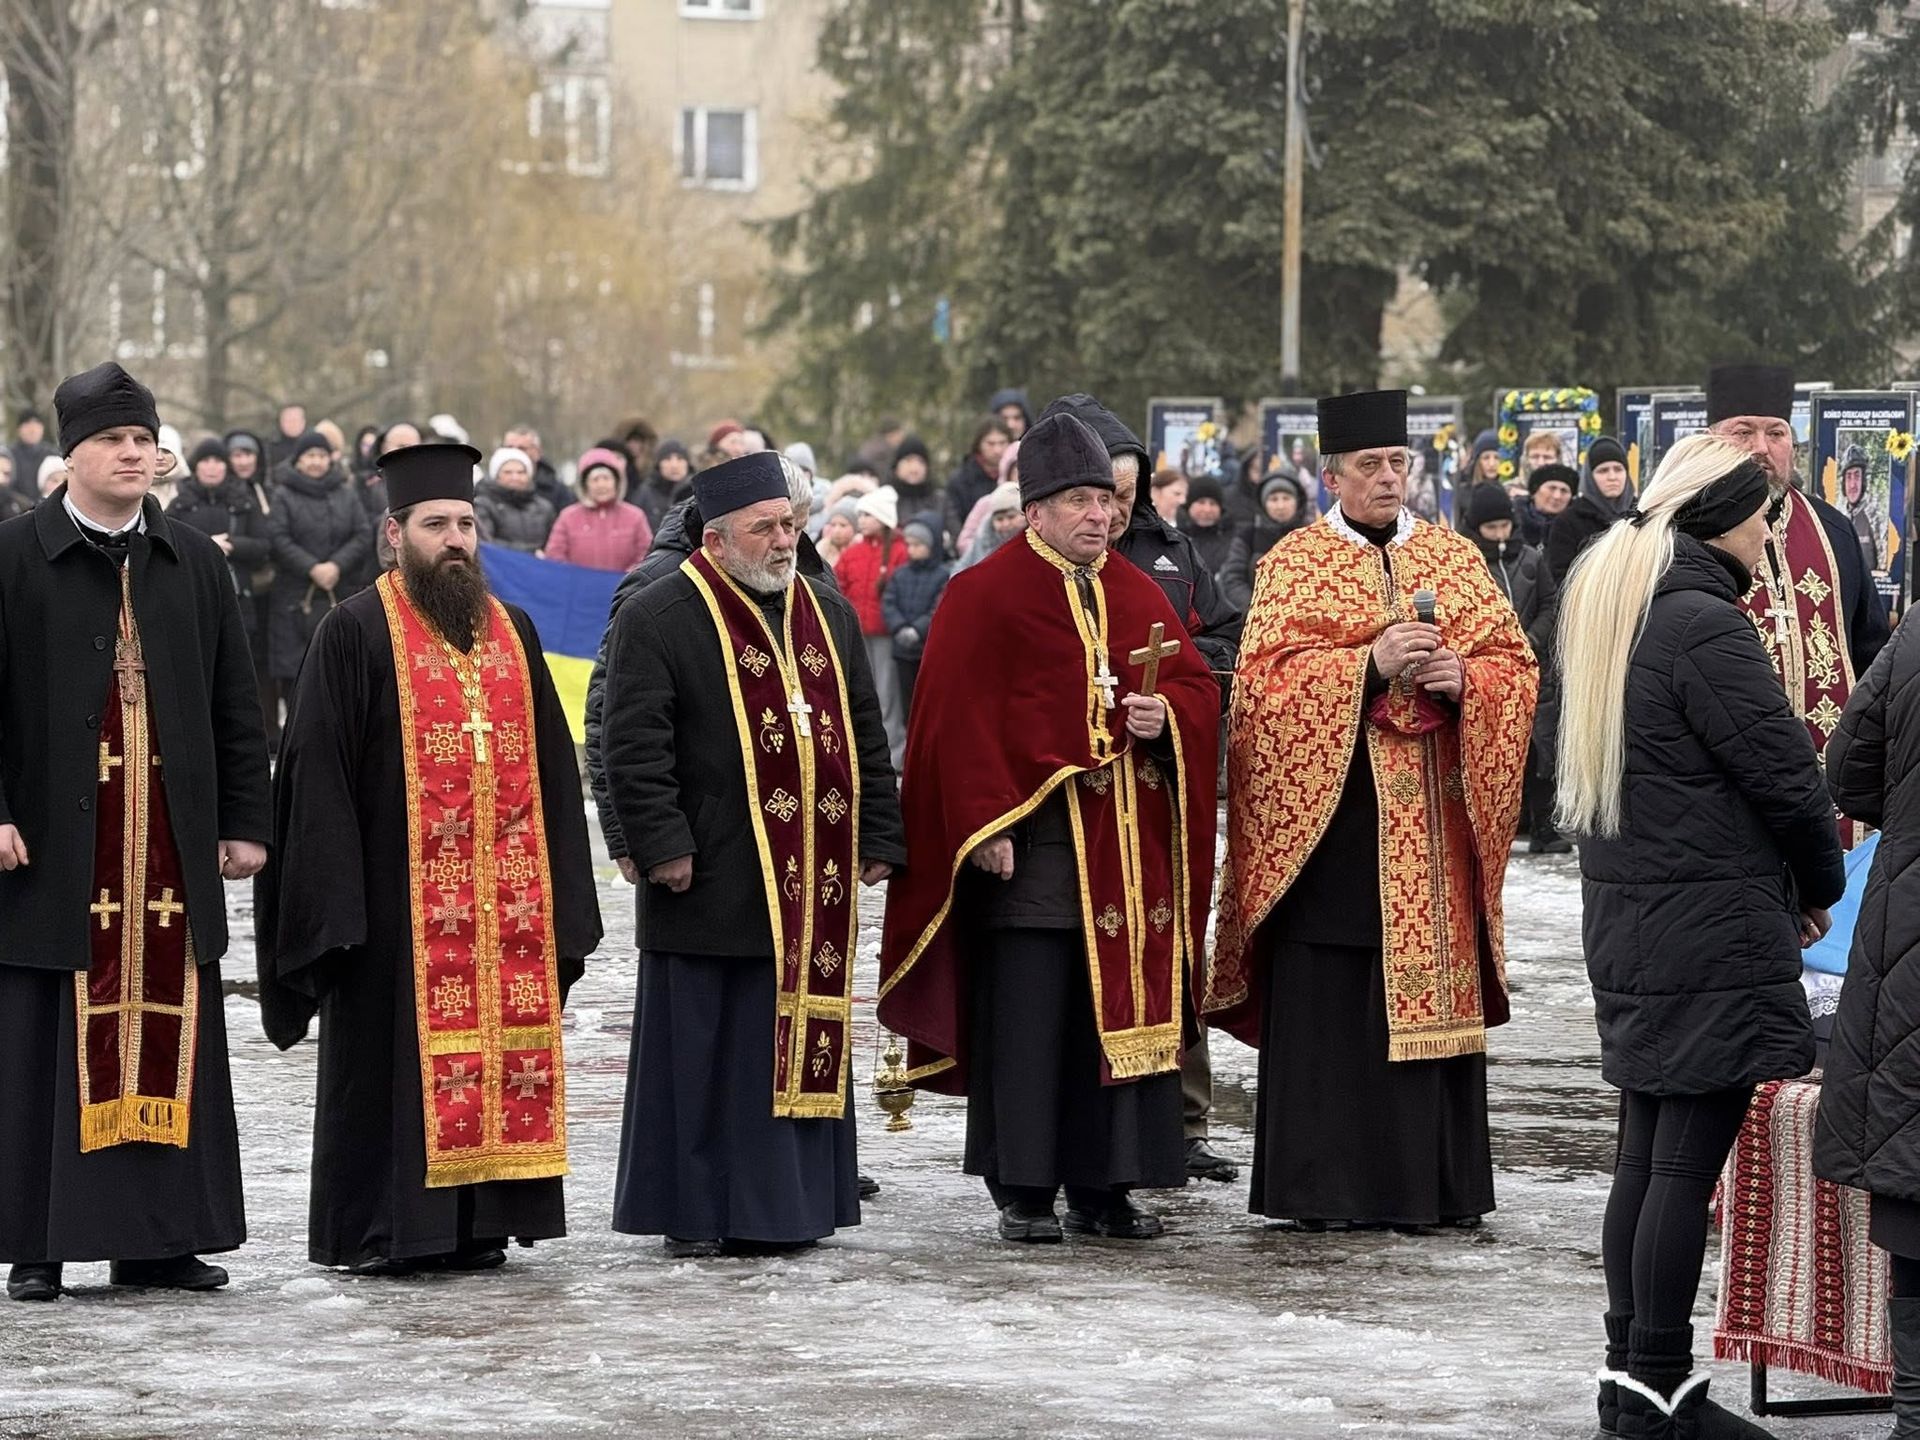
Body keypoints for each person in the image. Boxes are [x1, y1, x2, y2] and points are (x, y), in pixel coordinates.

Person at [256, 441, 602, 1275]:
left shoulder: (514, 631)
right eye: (436, 524)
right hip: (394, 912)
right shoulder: (353, 629)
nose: (455, 540)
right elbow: (315, 775)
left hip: (509, 907)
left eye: (467, 525)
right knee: (393, 1074)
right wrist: (336, 912)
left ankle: (483, 1223)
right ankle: (389, 1231)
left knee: (500, 1058)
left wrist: (565, 898)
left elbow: (556, 771)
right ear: (393, 533)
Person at [1557, 433, 1844, 1438]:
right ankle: (1660, 1391)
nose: (1772, 536)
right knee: (1680, 1166)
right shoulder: (1701, 625)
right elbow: (1785, 779)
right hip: (1708, 928)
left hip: (1636, 919)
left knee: (1646, 1155)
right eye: (1766, 516)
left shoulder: (1619, 606)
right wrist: (1818, 884)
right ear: (1725, 519)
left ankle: (1630, 1381)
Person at [878, 410, 1219, 1242]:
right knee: (1033, 1026)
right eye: (1078, 501)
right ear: (1033, 511)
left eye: (1106, 501)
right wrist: (977, 825)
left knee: (1112, 1026)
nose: (1100, 517)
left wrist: (1161, 716)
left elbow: (1199, 689)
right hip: (1028, 857)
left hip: (1127, 861)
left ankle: (1107, 1186)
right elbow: (949, 730)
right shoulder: (981, 593)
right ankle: (1024, 1190)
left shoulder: (1134, 590)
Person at [1209, 389, 1538, 1233]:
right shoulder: (1292, 563)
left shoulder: (1457, 560)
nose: (1388, 479)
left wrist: (1469, 682)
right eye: (1370, 467)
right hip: (1336, 836)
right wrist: (1366, 663)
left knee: (1425, 999)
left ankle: (1429, 1190)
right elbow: (1260, 693)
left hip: (1432, 827)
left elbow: (1518, 666)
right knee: (1330, 1003)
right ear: (1331, 477)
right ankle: (1321, 1190)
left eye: (1399, 464)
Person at [0, 362, 271, 1303]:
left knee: (178, 1038)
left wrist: (247, 819)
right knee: (44, 1046)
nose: (133, 453)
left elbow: (237, 699)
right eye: (113, 439)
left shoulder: (193, 558)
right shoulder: (12, 555)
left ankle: (163, 1240)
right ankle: (38, 1242)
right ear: (69, 453)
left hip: (169, 851)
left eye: (144, 439)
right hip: (52, 848)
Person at [601, 452, 904, 1256]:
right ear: (716, 537)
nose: (784, 542)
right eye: (766, 528)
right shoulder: (660, 612)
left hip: (817, 879)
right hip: (709, 875)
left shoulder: (826, 612)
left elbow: (864, 734)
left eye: (793, 525)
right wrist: (660, 845)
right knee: (711, 1056)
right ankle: (700, 1214)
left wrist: (879, 832)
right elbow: (633, 745)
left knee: (798, 1040)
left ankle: (793, 1208)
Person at [1040, 391, 1242, 1182]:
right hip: (1079, 804)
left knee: (1171, 947)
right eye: (1098, 496)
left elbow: (1224, 636)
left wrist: (1189, 672)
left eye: (1125, 494)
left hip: (1160, 791)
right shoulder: (1047, 559)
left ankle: (1181, 1122)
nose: (1113, 511)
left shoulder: (1173, 552)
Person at [1815, 609, 1920, 1437]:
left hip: (1909, 913)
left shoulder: (1919, 629)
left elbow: (1848, 769)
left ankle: (1915, 1413)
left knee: (1915, 1163)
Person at [1706, 363, 1888, 744]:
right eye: (1743, 432)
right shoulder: (1678, 532)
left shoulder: (1834, 530)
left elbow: (1871, 652)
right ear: (1709, 440)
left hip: (1832, 781)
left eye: (1776, 433)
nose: (1761, 447)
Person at [265, 431, 369, 717]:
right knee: (296, 673)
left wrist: (335, 565)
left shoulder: (346, 493)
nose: (316, 462)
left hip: (339, 588)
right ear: (298, 461)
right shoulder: (283, 494)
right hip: (294, 594)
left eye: (321, 456)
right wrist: (312, 567)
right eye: (310, 456)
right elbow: (277, 537)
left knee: (339, 669)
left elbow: (362, 533)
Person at [167, 439, 271, 649]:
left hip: (238, 597)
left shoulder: (244, 502)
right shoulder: (180, 504)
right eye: (205, 460)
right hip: (192, 598)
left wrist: (233, 544)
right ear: (195, 466)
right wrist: (207, 546)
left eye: (218, 461)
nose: (212, 467)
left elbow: (264, 545)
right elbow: (166, 545)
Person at [835, 486, 908, 765]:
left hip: (886, 633)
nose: (861, 520)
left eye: (867, 514)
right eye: (860, 515)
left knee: (889, 694)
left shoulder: (900, 551)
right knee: (868, 690)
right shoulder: (853, 552)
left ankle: (895, 752)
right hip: (858, 632)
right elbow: (838, 583)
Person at [543, 447, 652, 573]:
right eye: (595, 480)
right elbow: (554, 555)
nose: (601, 485)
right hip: (578, 589)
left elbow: (646, 554)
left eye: (606, 478)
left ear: (617, 482)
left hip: (626, 590)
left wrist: (628, 579)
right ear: (585, 485)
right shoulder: (567, 517)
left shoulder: (635, 516)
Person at [884, 518, 949, 720]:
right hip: (903, 650)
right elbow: (889, 601)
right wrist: (900, 627)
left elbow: (938, 608)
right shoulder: (900, 574)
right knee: (907, 704)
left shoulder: (942, 575)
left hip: (927, 650)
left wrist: (918, 630)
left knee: (928, 702)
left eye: (917, 545)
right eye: (909, 544)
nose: (911, 550)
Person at [1545, 436, 1634, 583]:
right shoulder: (1568, 522)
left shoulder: (1642, 514)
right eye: (1603, 470)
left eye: (1618, 469)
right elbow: (1561, 578)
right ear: (1589, 477)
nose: (1612, 477)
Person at [1220, 473, 1308, 613]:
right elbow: (1233, 578)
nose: (1280, 506)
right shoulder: (1248, 537)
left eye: (1286, 498)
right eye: (1273, 499)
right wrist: (1255, 609)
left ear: (1297, 502)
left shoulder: (1310, 536)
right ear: (1263, 503)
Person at [943, 418, 1011, 555]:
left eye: (1002, 443)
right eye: (990, 444)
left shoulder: (1018, 475)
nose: (997, 450)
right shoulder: (961, 480)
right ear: (979, 444)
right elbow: (954, 523)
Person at [474, 446, 556, 555]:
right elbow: (485, 542)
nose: (515, 477)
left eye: (521, 472)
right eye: (508, 472)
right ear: (497, 475)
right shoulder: (483, 505)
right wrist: (530, 553)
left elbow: (554, 543)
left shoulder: (544, 508)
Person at [503, 425, 573, 518]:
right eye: (509, 448)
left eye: (522, 448)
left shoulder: (559, 493)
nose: (515, 453)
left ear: (537, 452)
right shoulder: (486, 489)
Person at [958, 481, 1025, 571]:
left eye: (1011, 517)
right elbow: (961, 567)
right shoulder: (982, 538)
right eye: (999, 519)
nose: (1006, 524)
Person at [1179, 474, 1234, 581]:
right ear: (1189, 505)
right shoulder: (1175, 537)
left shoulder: (1234, 539)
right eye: (1201, 502)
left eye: (1213, 503)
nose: (1207, 509)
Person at [634, 439, 693, 535]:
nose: (674, 465)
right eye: (667, 459)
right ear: (659, 464)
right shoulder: (645, 493)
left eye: (680, 459)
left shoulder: (697, 492)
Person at [1837, 443, 1879, 575]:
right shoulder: (1837, 516)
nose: (1853, 484)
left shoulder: (1876, 517)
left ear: (1864, 480)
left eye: (1857, 476)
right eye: (1848, 477)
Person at [888, 436, 940, 529]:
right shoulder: (886, 499)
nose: (914, 469)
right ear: (897, 466)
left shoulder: (939, 500)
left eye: (921, 462)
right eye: (909, 461)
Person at [10, 407, 53, 502]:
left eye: (37, 424)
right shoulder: (9, 456)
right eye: (27, 425)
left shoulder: (53, 455)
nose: (32, 429)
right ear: (19, 429)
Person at [816, 498, 858, 571]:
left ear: (854, 528)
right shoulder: (821, 551)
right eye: (833, 525)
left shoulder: (860, 552)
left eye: (843, 525)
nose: (837, 530)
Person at [266, 402, 307, 469]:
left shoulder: (313, 446)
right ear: (280, 422)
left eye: (296, 420)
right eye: (288, 421)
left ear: (303, 422)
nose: (293, 424)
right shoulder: (269, 447)